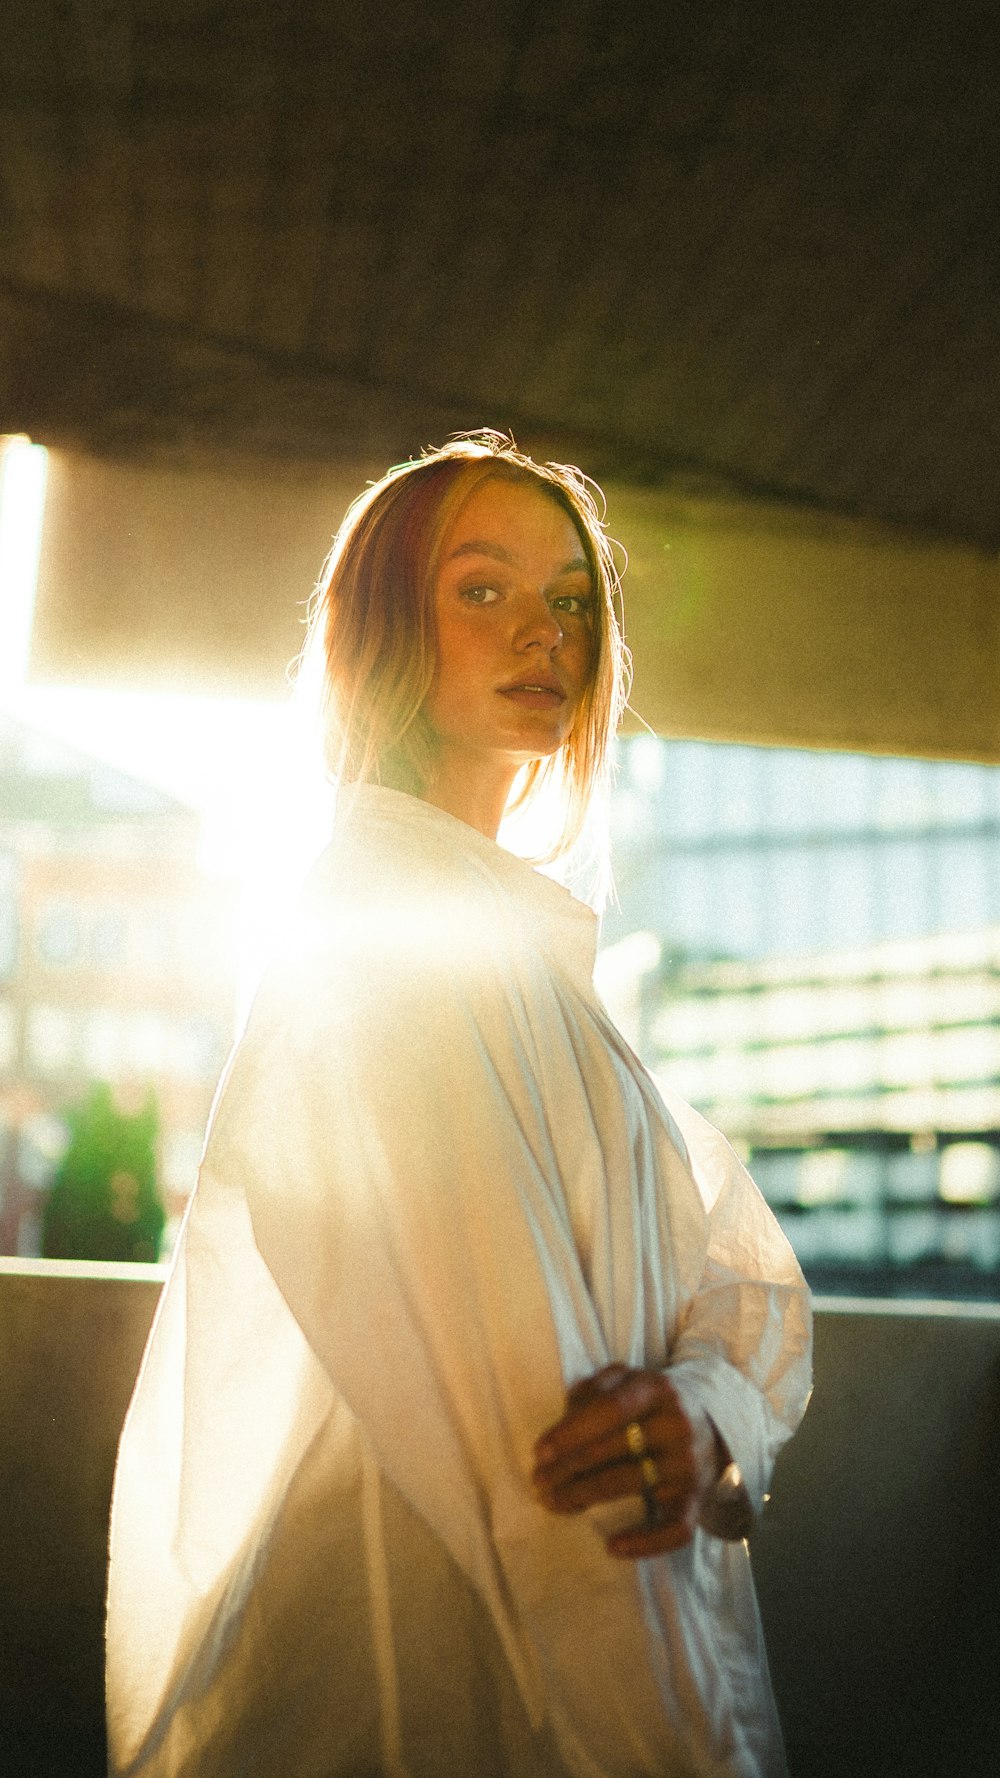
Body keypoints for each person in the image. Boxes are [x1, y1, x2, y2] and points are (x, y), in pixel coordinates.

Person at [106, 432, 812, 1778]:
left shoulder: (525, 952)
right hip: (410, 1685)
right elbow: (567, 1492)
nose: (544, 634)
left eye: (569, 598)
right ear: (384, 627)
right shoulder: (384, 936)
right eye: (482, 589)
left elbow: (744, 1276)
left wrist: (709, 1398)